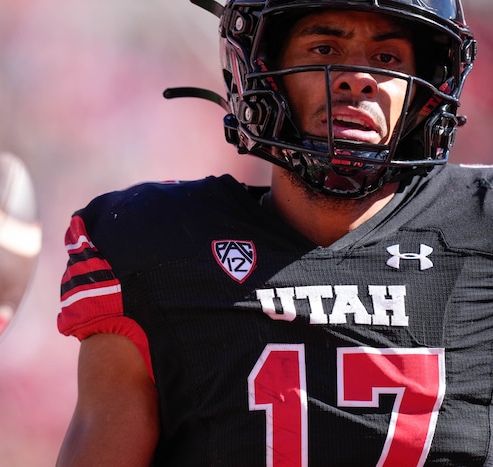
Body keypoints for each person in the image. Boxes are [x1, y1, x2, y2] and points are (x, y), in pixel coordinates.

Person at [56, 0, 487, 465]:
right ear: (263, 70)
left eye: (386, 59)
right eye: (324, 48)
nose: (358, 78)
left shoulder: (479, 226)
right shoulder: (156, 246)